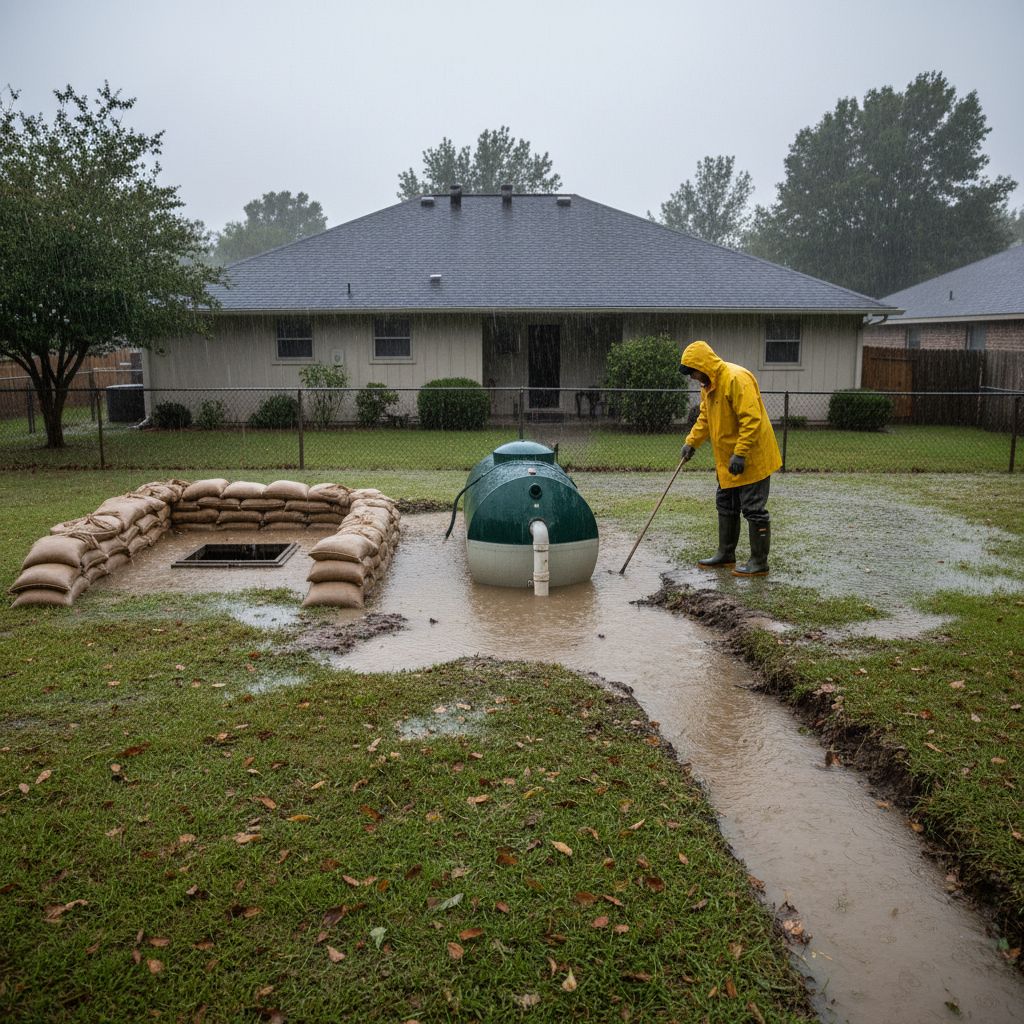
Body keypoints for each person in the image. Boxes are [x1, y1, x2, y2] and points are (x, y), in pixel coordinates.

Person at [678, 340, 782, 576]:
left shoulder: (736, 379)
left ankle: (759, 563)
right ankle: (726, 555)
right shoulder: (708, 385)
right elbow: (706, 418)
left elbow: (751, 419)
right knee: (726, 504)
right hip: (728, 459)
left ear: (703, 366)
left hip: (752, 456)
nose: (693, 377)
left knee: (753, 508)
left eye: (693, 372)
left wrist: (741, 452)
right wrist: (691, 442)